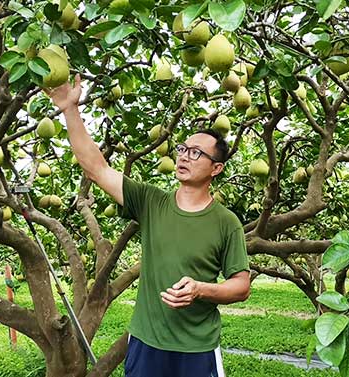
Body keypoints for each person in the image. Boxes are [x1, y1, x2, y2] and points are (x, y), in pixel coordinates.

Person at [46, 74, 251, 377]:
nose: (184, 156)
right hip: (146, 343)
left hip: (197, 348)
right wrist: (69, 109)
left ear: (216, 168)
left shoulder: (226, 222)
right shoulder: (151, 201)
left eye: (196, 153)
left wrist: (200, 289)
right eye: (182, 149)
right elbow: (96, 168)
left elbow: (241, 285)